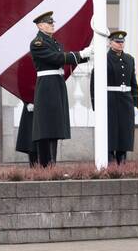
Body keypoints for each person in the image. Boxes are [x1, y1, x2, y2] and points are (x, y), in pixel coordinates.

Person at [29, 11, 91, 167]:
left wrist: (87, 56)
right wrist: (80, 54)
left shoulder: (54, 42)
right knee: (45, 127)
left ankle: (52, 164)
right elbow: (55, 58)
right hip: (47, 85)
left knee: (54, 126)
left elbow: (62, 57)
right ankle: (45, 165)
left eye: (52, 23)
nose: (52, 25)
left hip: (56, 83)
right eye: (49, 23)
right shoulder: (38, 43)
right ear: (40, 25)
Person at [90, 30, 138, 164]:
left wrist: (135, 103)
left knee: (125, 131)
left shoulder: (129, 59)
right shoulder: (103, 58)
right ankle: (109, 158)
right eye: (117, 42)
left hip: (126, 100)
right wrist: (96, 104)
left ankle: (122, 159)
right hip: (109, 100)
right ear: (110, 43)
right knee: (110, 132)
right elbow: (94, 82)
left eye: (122, 42)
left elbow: (133, 82)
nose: (120, 44)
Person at [15, 100, 37, 167]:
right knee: (31, 143)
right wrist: (27, 102)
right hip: (30, 110)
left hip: (42, 109)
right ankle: (34, 168)